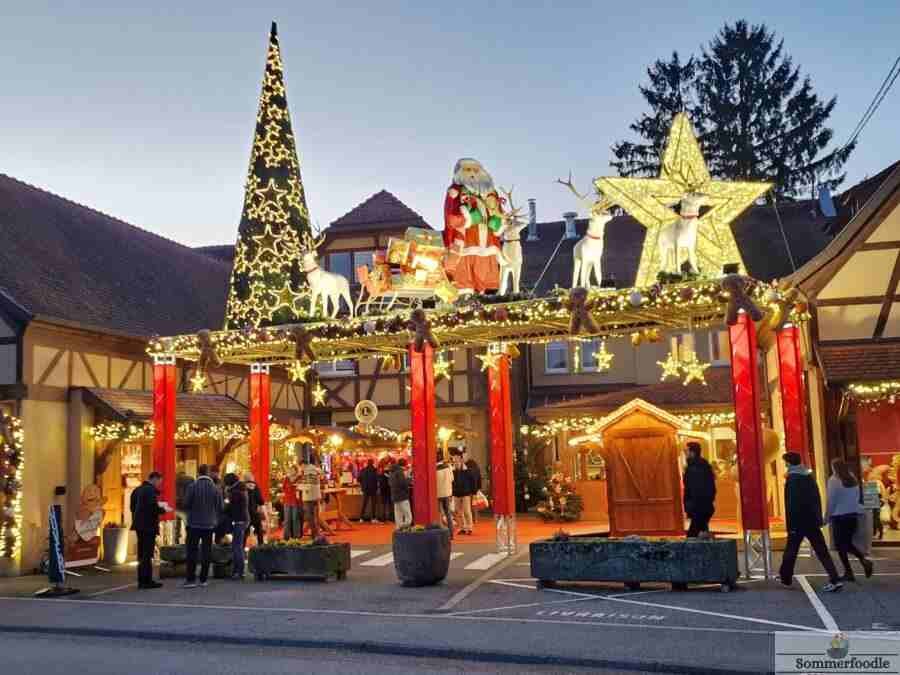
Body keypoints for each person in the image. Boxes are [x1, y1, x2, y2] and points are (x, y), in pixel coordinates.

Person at [778, 452, 843, 593]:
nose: (785, 464)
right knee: (822, 551)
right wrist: (818, 518)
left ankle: (785, 578)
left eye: (785, 462)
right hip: (812, 521)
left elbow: (792, 504)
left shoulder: (792, 479)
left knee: (791, 551)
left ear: (789, 463)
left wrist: (790, 524)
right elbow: (816, 499)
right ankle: (835, 578)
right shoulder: (808, 476)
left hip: (797, 522)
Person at [826, 459, 874, 582]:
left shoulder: (834, 480)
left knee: (841, 546)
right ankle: (861, 562)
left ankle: (851, 570)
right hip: (852, 516)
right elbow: (856, 498)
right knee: (846, 544)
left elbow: (831, 501)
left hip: (839, 517)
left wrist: (827, 516)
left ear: (834, 468)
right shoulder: (852, 479)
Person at [183, 464, 223, 588]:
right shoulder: (215, 488)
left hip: (193, 524)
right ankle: (203, 579)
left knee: (192, 551)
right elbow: (220, 507)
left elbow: (186, 504)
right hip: (209, 524)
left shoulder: (192, 486)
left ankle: (190, 579)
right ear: (208, 473)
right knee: (206, 551)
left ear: (198, 473)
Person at [130, 471, 166, 589]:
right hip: (148, 526)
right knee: (147, 554)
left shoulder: (137, 490)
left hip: (139, 525)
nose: (159, 484)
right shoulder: (150, 490)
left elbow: (132, 507)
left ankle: (141, 580)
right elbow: (152, 508)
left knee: (141, 554)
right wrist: (163, 509)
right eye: (159, 482)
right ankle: (147, 581)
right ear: (155, 479)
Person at [682, 441, 717, 538]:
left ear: (692, 452)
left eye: (686, 450)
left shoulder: (695, 468)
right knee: (702, 533)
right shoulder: (703, 465)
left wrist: (690, 505)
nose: (685, 453)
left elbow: (695, 489)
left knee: (692, 535)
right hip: (703, 506)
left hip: (698, 507)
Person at [223, 473, 249, 580]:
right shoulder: (241, 490)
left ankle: (238, 571)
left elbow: (229, 508)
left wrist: (225, 503)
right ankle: (238, 571)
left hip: (238, 521)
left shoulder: (235, 493)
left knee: (237, 547)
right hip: (242, 520)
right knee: (238, 546)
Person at [300, 451, 322, 539]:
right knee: (315, 516)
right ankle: (316, 533)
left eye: (300, 465)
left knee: (309, 516)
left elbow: (308, 485)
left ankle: (315, 534)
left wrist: (299, 487)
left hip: (309, 497)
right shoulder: (316, 469)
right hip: (316, 496)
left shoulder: (308, 471)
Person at [453, 455, 476, 535]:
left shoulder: (467, 471)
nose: (456, 463)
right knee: (458, 512)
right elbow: (452, 482)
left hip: (466, 493)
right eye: (454, 462)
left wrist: (473, 492)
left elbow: (472, 480)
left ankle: (469, 528)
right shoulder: (453, 471)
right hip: (456, 493)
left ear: (461, 461)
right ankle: (462, 527)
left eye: (457, 461)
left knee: (467, 511)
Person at [389, 459, 412, 528]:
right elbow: (403, 483)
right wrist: (409, 479)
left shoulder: (392, 472)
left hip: (395, 496)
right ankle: (404, 527)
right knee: (408, 516)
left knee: (398, 515)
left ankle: (399, 528)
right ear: (405, 464)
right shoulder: (400, 472)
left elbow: (390, 483)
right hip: (402, 496)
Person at [244, 471, 265, 545]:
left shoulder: (242, 486)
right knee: (259, 531)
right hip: (254, 513)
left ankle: (242, 549)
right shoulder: (255, 487)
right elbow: (261, 501)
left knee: (244, 533)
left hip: (245, 513)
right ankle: (261, 547)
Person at [281, 465, 301, 539]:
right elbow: (283, 488)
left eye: (293, 470)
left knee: (295, 519)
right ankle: (286, 537)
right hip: (287, 501)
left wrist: (297, 487)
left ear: (296, 471)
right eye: (290, 470)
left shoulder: (299, 478)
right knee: (287, 519)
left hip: (295, 501)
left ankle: (296, 537)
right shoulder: (286, 478)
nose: (291, 471)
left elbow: (300, 488)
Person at [436, 456, 454, 538]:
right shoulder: (448, 468)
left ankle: (441, 533)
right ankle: (451, 533)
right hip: (447, 493)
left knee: (439, 513)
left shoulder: (434, 469)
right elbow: (452, 479)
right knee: (448, 513)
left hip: (437, 493)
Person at [358, 459, 379, 523]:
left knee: (364, 504)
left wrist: (363, 484)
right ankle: (373, 518)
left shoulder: (363, 470)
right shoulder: (375, 470)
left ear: (367, 463)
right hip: (373, 489)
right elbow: (377, 479)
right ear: (373, 463)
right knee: (373, 504)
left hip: (365, 489)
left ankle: (361, 518)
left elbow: (359, 479)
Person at [465, 457, 482, 525]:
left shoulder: (467, 470)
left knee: (469, 505)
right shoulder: (477, 469)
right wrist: (479, 488)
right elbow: (479, 479)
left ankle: (470, 519)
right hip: (475, 489)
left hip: (468, 489)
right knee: (474, 505)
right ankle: (475, 519)